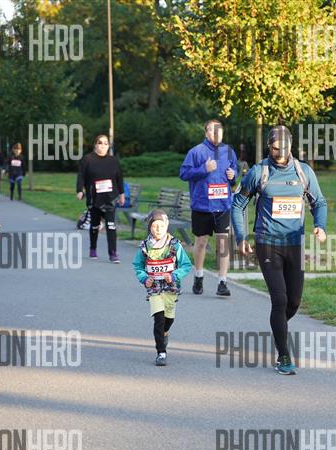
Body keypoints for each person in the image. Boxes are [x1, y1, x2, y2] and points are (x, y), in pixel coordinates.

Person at [231, 125, 328, 375]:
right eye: (275, 148)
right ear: (269, 147)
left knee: (294, 302)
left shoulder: (303, 172)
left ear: (291, 146)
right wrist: (240, 237)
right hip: (268, 244)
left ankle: (278, 329)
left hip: (294, 244)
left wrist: (320, 225)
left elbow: (319, 201)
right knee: (280, 299)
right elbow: (238, 204)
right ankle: (283, 355)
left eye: (283, 148)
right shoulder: (259, 172)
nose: (280, 153)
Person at [179, 119, 238, 296]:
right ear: (206, 133)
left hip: (223, 205)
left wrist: (233, 175)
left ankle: (222, 282)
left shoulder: (229, 152)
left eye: (219, 130)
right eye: (212, 130)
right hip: (202, 205)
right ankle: (198, 276)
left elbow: (234, 174)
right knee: (201, 242)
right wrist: (203, 168)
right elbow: (183, 173)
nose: (216, 133)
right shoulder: (196, 152)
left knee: (223, 243)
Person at [132, 209, 192, 366]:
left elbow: (186, 265)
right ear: (150, 227)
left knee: (168, 319)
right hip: (154, 288)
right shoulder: (145, 246)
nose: (158, 229)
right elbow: (138, 265)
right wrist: (144, 278)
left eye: (161, 226)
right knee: (158, 318)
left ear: (167, 226)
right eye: (154, 226)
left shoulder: (174, 245)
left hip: (171, 287)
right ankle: (161, 352)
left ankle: (165, 332)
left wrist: (174, 275)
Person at [76, 134, 125, 263]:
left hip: (110, 198)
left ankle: (113, 253)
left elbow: (119, 178)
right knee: (95, 225)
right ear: (95, 145)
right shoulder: (88, 159)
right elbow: (81, 176)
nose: (103, 145)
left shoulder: (113, 161)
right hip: (94, 198)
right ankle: (93, 248)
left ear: (108, 146)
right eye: (100, 142)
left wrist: (121, 195)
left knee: (111, 226)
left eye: (105, 143)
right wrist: (80, 190)